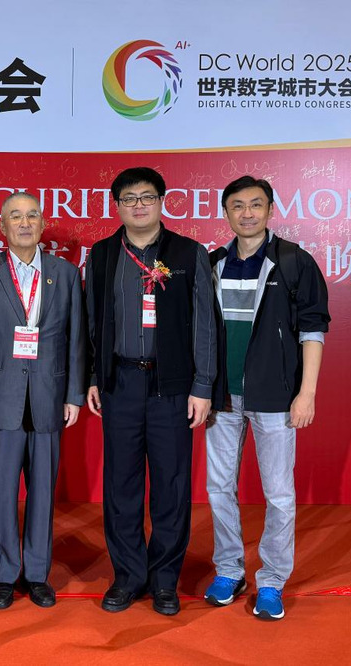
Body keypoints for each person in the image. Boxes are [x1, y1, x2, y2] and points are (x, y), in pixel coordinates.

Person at [84, 167, 217, 616]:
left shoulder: (188, 253)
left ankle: (164, 581)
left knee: (171, 485)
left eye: (146, 197)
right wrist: (93, 376)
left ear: (162, 201)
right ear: (117, 206)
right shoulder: (103, 254)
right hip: (120, 382)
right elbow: (92, 322)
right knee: (120, 485)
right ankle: (127, 577)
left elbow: (204, 324)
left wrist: (202, 385)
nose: (138, 205)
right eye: (128, 198)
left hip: (172, 386)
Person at [203, 175, 330, 621]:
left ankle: (272, 580)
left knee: (278, 494)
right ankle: (228, 570)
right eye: (237, 206)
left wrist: (306, 394)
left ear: (271, 210)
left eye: (256, 205)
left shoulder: (293, 261)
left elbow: (313, 330)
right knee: (218, 488)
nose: (247, 213)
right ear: (226, 213)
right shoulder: (213, 263)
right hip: (222, 397)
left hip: (275, 396)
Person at [0, 192, 86, 610]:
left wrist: (73, 394)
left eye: (32, 215)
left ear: (43, 223)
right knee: (1, 491)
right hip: (1, 397)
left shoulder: (65, 273)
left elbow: (75, 338)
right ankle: (3, 573)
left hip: (49, 396)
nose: (24, 223)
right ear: (3, 227)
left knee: (43, 492)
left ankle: (36, 574)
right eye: (15, 216)